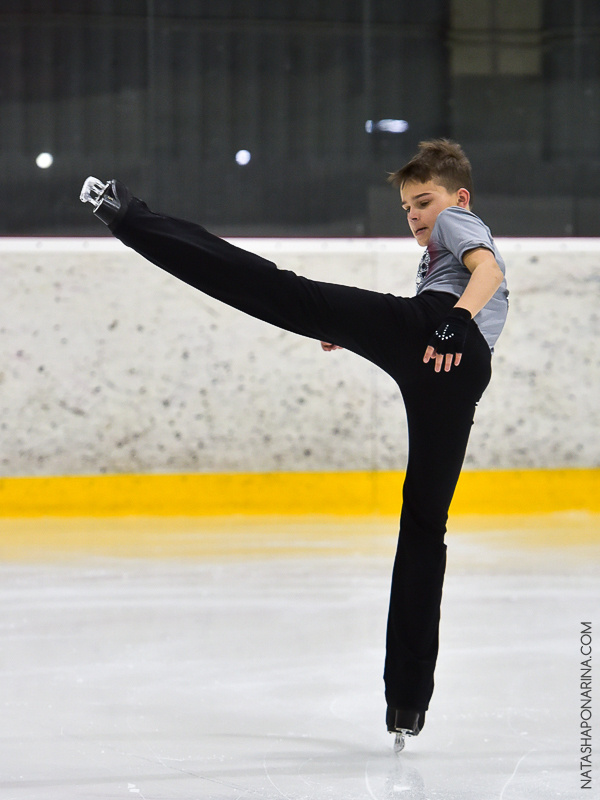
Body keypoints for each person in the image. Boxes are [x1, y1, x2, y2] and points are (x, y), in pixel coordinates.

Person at [80, 139, 508, 752]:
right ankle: (407, 703)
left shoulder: (460, 224)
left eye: (425, 201)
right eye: (407, 207)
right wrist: (355, 329)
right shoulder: (439, 252)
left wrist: (455, 320)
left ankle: (130, 217)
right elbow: (441, 310)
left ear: (457, 197)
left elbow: (488, 272)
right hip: (454, 371)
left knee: (280, 292)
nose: (415, 215)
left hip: (442, 338)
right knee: (422, 528)